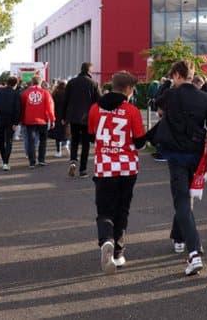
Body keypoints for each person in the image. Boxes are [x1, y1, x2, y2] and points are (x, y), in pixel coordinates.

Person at [153, 60, 207, 276]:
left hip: (175, 155)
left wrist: (166, 85)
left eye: (172, 76)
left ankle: (194, 251)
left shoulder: (170, 95)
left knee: (182, 200)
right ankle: (178, 236)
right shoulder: (205, 98)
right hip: (196, 155)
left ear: (177, 75)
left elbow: (156, 103)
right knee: (186, 197)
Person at [88, 71, 148, 275]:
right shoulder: (132, 110)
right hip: (127, 167)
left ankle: (106, 240)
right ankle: (119, 252)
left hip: (104, 167)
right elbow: (139, 142)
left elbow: (91, 136)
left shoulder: (95, 108)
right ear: (128, 89)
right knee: (122, 209)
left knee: (104, 210)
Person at [61, 62, 101, 178]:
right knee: (85, 144)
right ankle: (83, 170)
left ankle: (73, 160)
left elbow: (65, 100)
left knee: (74, 140)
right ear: (89, 70)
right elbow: (99, 101)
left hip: (73, 117)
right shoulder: (93, 83)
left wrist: (63, 117)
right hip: (87, 118)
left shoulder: (71, 82)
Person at [20, 76, 56, 168]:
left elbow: (22, 107)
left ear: (32, 82)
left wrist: (22, 119)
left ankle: (32, 162)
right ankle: (41, 160)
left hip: (29, 120)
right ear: (41, 83)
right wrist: (52, 119)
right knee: (43, 140)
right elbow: (50, 107)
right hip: (42, 120)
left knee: (31, 141)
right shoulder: (45, 93)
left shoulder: (25, 93)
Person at [0, 76, 21, 171]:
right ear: (15, 84)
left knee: (1, 140)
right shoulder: (16, 94)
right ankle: (6, 162)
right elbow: (17, 109)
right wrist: (16, 122)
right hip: (10, 119)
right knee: (9, 141)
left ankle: (4, 160)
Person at [51, 80, 69, 157]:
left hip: (57, 116)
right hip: (66, 116)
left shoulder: (55, 94)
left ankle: (58, 152)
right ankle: (66, 144)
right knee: (67, 132)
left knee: (58, 135)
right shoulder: (68, 94)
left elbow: (52, 105)